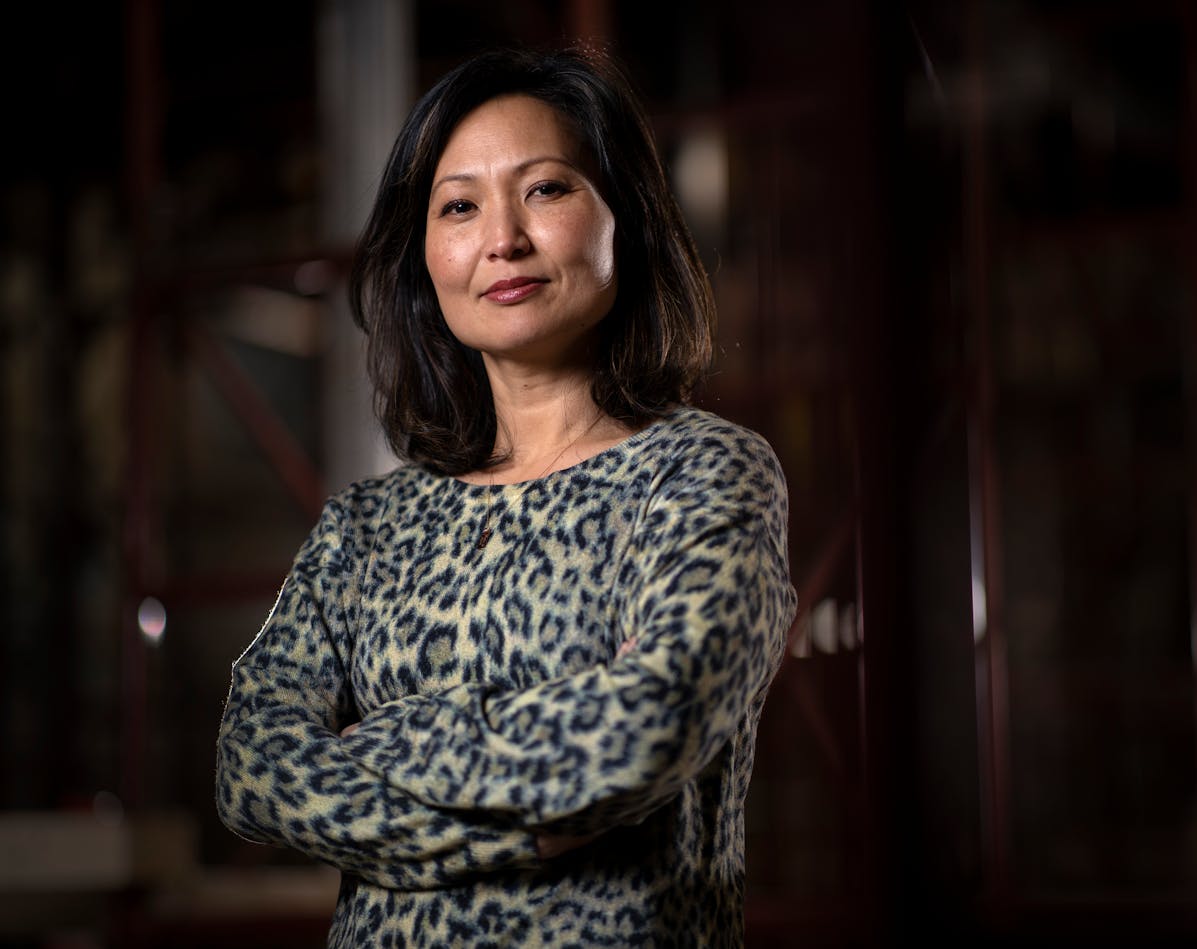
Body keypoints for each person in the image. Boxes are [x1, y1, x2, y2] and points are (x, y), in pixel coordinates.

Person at [213, 41, 797, 948]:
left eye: (547, 189)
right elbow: (250, 767)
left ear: (624, 217)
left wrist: (373, 750)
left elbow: (648, 724)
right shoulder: (369, 525)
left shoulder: (703, 473)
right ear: (425, 253)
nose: (503, 240)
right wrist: (530, 814)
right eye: (459, 206)